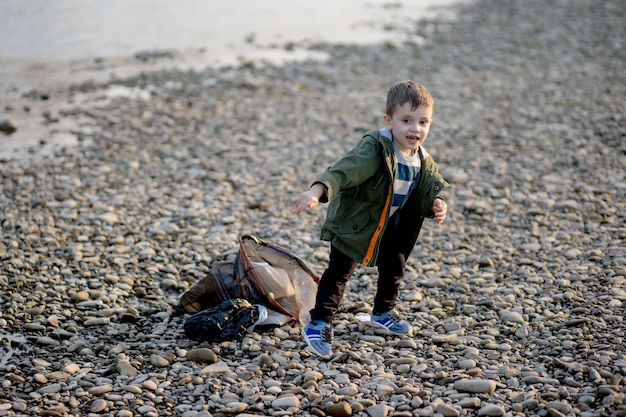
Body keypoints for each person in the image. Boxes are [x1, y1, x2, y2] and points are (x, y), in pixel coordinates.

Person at [295, 80, 449, 358]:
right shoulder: (375, 149)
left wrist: (436, 204)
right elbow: (344, 170)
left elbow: (428, 187)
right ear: (389, 121)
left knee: (394, 270)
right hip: (355, 222)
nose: (415, 129)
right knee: (339, 272)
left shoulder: (422, 158)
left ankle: (382, 313)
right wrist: (316, 191)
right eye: (406, 120)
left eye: (423, 122)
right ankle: (319, 323)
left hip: (391, 226)